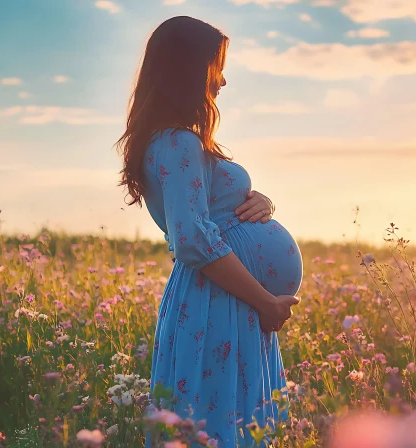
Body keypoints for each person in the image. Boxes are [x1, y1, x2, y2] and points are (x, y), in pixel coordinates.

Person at [115, 15, 303, 447]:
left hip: (226, 301)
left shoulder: (174, 141)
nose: (222, 81)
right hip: (219, 302)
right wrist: (266, 302)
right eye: (215, 67)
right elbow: (193, 240)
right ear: (188, 69)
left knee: (226, 425)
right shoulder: (177, 142)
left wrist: (263, 202)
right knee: (218, 428)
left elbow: (211, 212)